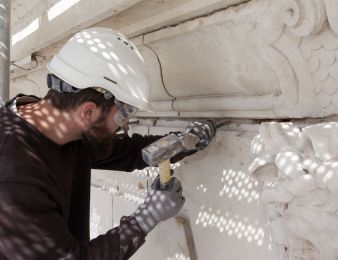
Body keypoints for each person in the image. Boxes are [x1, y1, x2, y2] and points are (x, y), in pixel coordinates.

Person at [0, 27, 215, 259]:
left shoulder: (59, 125)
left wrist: (184, 142)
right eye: (123, 114)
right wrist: (146, 217)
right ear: (89, 112)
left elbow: (128, 151)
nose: (124, 125)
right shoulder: (14, 177)